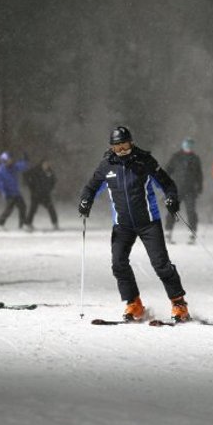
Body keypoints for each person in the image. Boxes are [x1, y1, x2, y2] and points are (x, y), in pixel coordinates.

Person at [78, 126, 190, 322]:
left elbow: (167, 184)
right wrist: (86, 201)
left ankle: (179, 304)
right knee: (118, 263)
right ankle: (134, 303)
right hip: (122, 225)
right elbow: (91, 187)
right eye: (117, 146)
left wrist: (172, 198)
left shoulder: (144, 161)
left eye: (124, 145)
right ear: (111, 147)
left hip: (148, 222)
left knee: (161, 264)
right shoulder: (106, 166)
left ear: (131, 142)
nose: (121, 149)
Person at [164, 137, 203, 244]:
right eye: (186, 145)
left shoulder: (195, 158)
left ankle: (192, 233)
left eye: (190, 145)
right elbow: (167, 170)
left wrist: (200, 187)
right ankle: (168, 232)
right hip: (176, 189)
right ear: (182, 145)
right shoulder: (176, 157)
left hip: (190, 190)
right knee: (172, 210)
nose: (188, 147)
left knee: (191, 211)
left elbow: (199, 175)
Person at [0, 151, 30, 231]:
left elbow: (23, 166)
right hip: (8, 194)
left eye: (11, 159)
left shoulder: (14, 167)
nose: (11, 161)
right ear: (4, 160)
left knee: (23, 207)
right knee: (9, 209)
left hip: (16, 192)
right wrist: (2, 188)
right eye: (9, 159)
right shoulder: (1, 170)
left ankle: (22, 225)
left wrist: (26, 160)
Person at [24, 159, 59, 231]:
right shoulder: (35, 171)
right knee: (33, 210)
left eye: (48, 164)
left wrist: (50, 189)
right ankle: (28, 224)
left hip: (45, 195)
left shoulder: (50, 172)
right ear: (41, 164)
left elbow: (54, 181)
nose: (46, 165)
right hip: (36, 195)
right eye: (45, 164)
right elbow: (26, 176)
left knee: (51, 208)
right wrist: (31, 187)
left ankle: (55, 224)